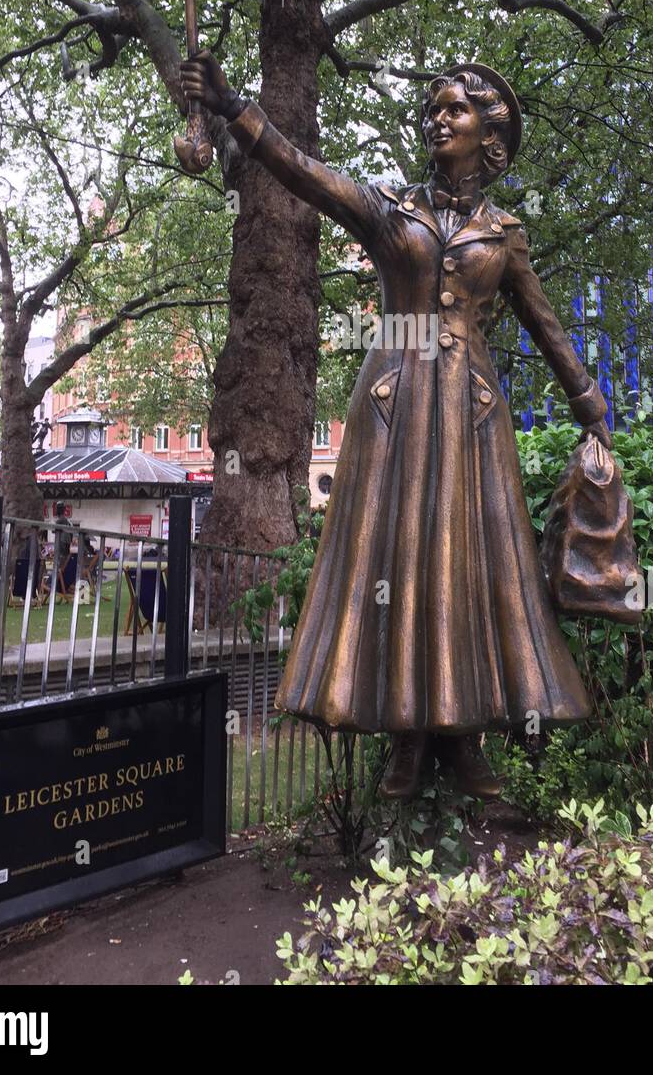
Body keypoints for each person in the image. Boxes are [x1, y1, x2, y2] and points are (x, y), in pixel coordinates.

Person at [181, 53, 612, 801]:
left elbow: (546, 326)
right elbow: (302, 170)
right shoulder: (389, 207)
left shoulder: (504, 235)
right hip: (394, 406)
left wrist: (592, 411)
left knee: (467, 567)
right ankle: (407, 741)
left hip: (473, 416)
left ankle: (465, 740)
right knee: (400, 564)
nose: (438, 119)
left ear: (491, 137)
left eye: (455, 110)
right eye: (433, 109)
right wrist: (232, 108)